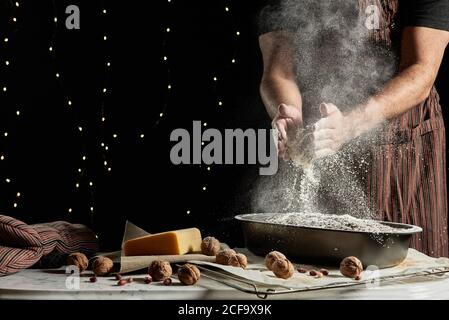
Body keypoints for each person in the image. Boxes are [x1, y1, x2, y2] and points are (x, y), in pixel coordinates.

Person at [259, 0, 449, 257]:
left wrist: (350, 124)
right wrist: (290, 114)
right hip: (320, 143)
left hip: (403, 154)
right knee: (324, 270)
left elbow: (421, 70)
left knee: (409, 269)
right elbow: (279, 71)